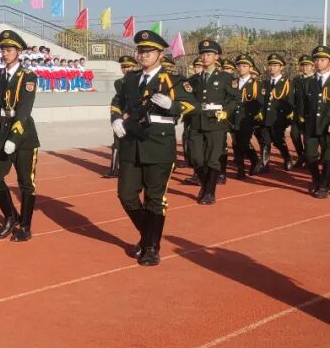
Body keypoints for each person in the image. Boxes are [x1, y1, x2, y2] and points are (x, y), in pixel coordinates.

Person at [110, 30, 195, 266]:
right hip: (131, 142)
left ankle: (150, 247)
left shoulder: (174, 80)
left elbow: (192, 105)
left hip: (158, 143)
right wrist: (115, 119)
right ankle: (148, 237)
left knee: (154, 199)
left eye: (149, 51)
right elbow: (117, 102)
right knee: (126, 195)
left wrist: (172, 105)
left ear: (160, 54)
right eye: (140, 51)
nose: (143, 55)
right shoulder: (130, 79)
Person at [0, 29, 39, 242]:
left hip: (23, 136)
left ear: (18, 51)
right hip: (2, 132)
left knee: (26, 182)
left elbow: (25, 110)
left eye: (9, 50)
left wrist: (14, 138)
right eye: (3, 49)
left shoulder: (28, 76)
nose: (5, 53)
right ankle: (10, 215)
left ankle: (25, 226)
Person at [183, 40, 239, 205]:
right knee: (196, 158)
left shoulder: (226, 78)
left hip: (215, 122)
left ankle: (210, 191)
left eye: (209, 54)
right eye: (203, 54)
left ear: (216, 57)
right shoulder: (194, 79)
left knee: (212, 160)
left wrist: (226, 111)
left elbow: (235, 99)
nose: (205, 57)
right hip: (197, 121)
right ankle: (205, 185)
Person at [294, 45, 330, 198]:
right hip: (311, 125)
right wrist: (302, 122)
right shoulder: (308, 82)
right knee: (309, 156)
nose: (318, 63)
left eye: (322, 60)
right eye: (316, 60)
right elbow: (302, 104)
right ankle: (316, 179)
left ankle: (324, 186)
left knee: (328, 158)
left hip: (328, 126)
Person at [255, 53, 293, 172]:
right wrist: (259, 112)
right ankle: (265, 164)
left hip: (278, 118)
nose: (272, 68)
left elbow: (289, 101)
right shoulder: (264, 83)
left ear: (281, 67)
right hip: (265, 117)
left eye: (275, 65)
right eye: (270, 65)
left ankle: (287, 157)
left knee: (278, 141)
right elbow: (260, 100)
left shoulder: (286, 83)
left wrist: (288, 117)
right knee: (265, 141)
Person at [231, 54, 265, 179]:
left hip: (247, 118)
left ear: (250, 68)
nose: (241, 68)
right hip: (233, 117)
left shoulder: (256, 84)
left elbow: (260, 102)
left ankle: (251, 163)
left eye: (244, 66)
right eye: (239, 66)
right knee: (236, 143)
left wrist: (256, 117)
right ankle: (242, 168)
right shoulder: (233, 82)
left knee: (243, 143)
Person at [106, 56, 139, 178]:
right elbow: (120, 100)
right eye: (123, 67)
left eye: (128, 66)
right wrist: (119, 116)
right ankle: (114, 169)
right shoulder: (118, 82)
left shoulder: (140, 80)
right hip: (122, 115)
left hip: (136, 115)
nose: (126, 69)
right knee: (117, 142)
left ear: (134, 67)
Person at [290, 55, 315, 170]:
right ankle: (301, 156)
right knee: (294, 135)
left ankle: (307, 158)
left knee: (307, 139)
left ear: (312, 66)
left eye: (307, 65)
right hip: (297, 113)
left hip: (310, 115)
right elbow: (292, 96)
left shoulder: (315, 80)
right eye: (303, 65)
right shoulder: (296, 80)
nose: (305, 68)